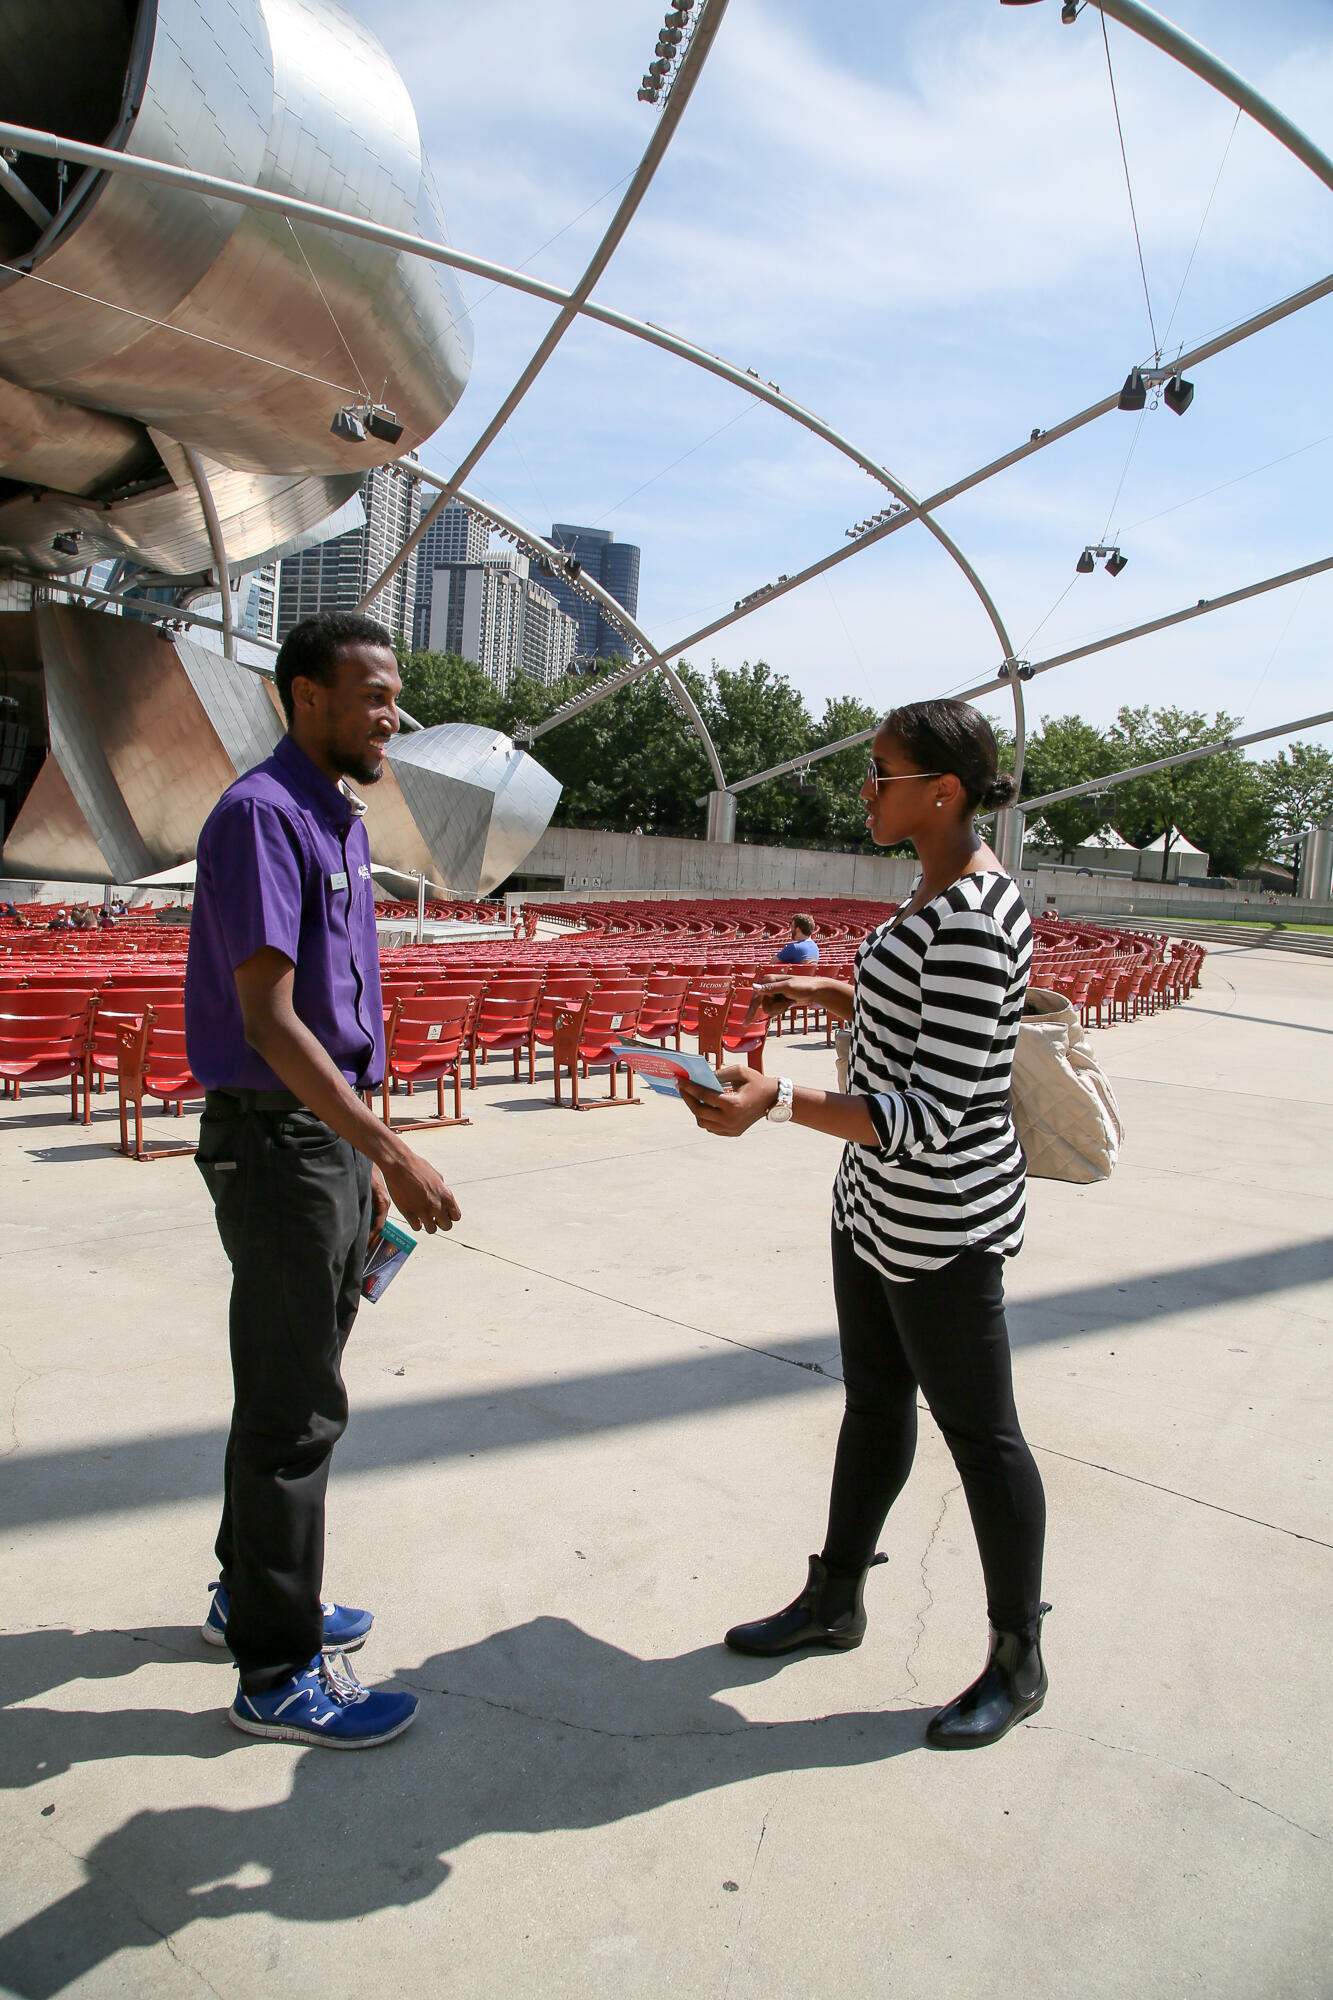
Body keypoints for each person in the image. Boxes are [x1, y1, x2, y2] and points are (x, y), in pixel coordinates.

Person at [680, 699, 1048, 1750]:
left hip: (940, 1224)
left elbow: (934, 1112)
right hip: (870, 1207)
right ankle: (834, 1598)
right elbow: (919, 1017)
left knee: (982, 1437)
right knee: (876, 1407)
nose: (865, 790)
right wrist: (837, 992)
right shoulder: (927, 889)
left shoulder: (974, 913)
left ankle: (1017, 1658)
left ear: (942, 791)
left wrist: (778, 1099)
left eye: (880, 773)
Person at [185, 609, 462, 1751]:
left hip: (328, 1141)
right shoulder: (261, 816)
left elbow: (351, 1020)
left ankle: (246, 1594)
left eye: (393, 695)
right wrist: (389, 1146)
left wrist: (369, 1146)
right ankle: (277, 1669)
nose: (390, 715)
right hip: (279, 1140)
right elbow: (271, 1017)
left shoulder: (337, 816)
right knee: (297, 1404)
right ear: (306, 696)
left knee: (291, 1375)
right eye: (371, 694)